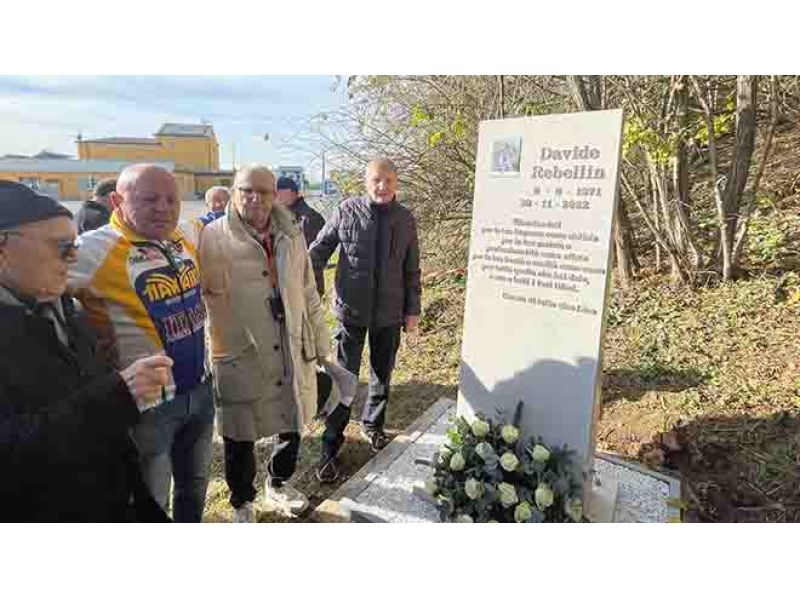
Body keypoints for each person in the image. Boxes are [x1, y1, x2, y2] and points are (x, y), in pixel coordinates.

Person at [0, 180, 170, 522]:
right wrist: (116, 394)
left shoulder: (64, 306)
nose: (74, 257)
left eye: (75, 245)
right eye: (62, 247)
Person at [199, 165, 348, 522]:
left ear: (275, 194)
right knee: (239, 432)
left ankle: (278, 482)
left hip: (291, 343)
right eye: (246, 190)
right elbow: (200, 298)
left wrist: (319, 343)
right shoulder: (211, 237)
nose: (255, 198)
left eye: (264, 191)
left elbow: (308, 290)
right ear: (234, 192)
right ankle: (242, 501)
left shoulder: (291, 233)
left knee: (291, 419)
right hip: (241, 352)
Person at [67, 164, 214, 523]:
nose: (163, 208)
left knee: (195, 487)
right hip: (146, 408)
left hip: (200, 390)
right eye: (149, 199)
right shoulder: (92, 249)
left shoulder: (183, 236)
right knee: (151, 504)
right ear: (116, 201)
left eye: (171, 199)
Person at [309, 158, 421, 483]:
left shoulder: (405, 219)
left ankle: (373, 426)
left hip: (389, 314)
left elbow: (412, 269)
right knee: (344, 380)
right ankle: (330, 446)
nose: (382, 186)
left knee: (382, 375)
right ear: (365, 181)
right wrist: (304, 286)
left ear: (396, 183)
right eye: (376, 180)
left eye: (388, 180)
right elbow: (318, 251)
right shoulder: (346, 210)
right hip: (351, 313)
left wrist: (412, 310)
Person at [275, 176, 325, 296]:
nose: (274, 197)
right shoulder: (280, 216)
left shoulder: (309, 218)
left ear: (290, 192)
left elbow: (311, 257)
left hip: (305, 287)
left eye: (277, 192)